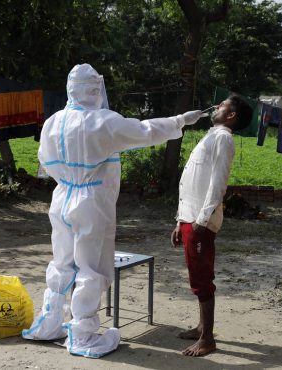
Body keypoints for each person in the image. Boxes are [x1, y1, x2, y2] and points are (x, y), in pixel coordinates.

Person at [23, 63, 204, 358]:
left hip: (62, 197)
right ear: (94, 89)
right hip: (91, 200)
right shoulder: (102, 121)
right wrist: (179, 121)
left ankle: (49, 322)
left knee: (62, 260)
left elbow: (44, 160)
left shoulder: (53, 122)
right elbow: (144, 131)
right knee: (90, 266)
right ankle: (81, 334)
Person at [170, 94, 253, 357]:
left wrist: (201, 221)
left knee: (201, 278)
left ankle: (207, 339)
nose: (216, 106)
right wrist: (180, 219)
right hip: (190, 216)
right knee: (197, 273)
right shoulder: (213, 134)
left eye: (223, 105)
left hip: (200, 221)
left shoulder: (223, 138)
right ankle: (201, 327)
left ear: (231, 116)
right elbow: (193, 182)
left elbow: (218, 184)